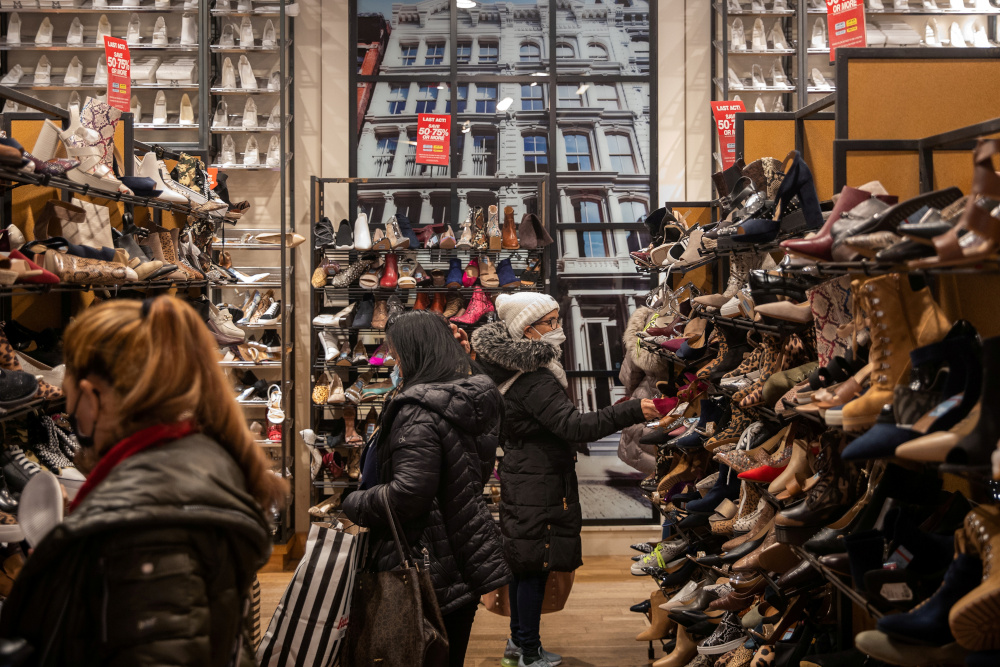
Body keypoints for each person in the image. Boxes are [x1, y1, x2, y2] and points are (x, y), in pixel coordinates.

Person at [0, 296, 285, 667]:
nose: (66, 411)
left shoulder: (143, 530)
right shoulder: (201, 459)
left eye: (68, 394)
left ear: (92, 396)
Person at [471, 293, 663, 667]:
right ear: (527, 330)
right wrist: (630, 410)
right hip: (538, 479)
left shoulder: (504, 367)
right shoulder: (534, 378)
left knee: (525, 560)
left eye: (558, 319)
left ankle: (518, 643)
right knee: (534, 565)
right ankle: (527, 651)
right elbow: (573, 425)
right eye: (550, 322)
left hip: (523, 472)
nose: (558, 328)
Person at [342, 310, 511, 667]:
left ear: (415, 352)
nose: (393, 360)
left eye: (397, 352)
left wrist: (353, 502)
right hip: (455, 549)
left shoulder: (418, 410)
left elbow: (409, 495)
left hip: (423, 559)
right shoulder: (463, 397)